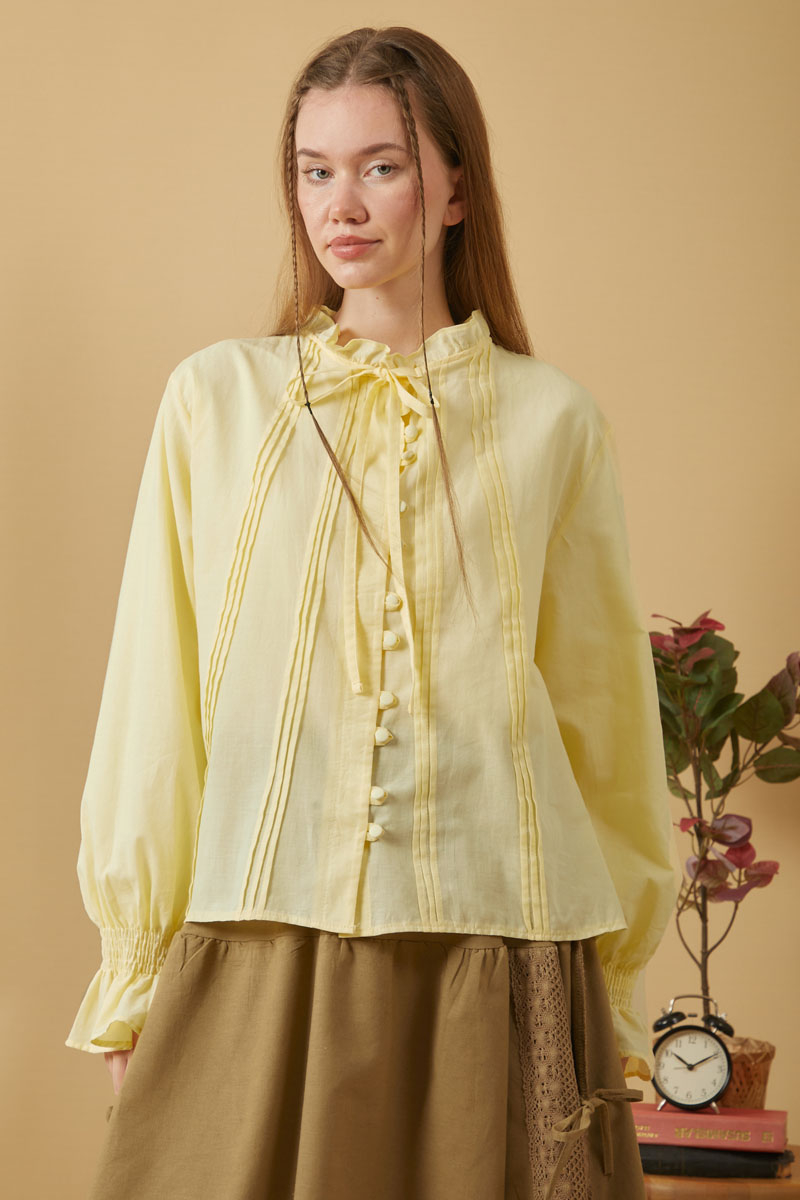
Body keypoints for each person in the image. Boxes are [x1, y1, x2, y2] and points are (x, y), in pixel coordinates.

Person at [66, 24, 679, 1200]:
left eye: (378, 166)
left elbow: (603, 730)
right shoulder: (215, 401)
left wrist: (613, 994)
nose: (338, 205)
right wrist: (133, 973)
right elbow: (156, 695)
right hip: (262, 944)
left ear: (454, 190)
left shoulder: (552, 420)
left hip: (503, 956)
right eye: (314, 171)